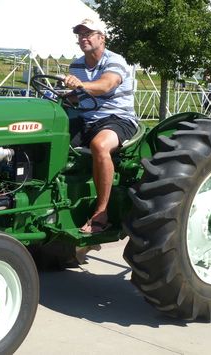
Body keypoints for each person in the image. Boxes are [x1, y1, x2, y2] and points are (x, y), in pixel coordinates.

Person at [64, 18, 138, 234]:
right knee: (55, 139)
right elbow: (78, 97)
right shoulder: (76, 65)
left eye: (88, 33)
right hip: (87, 119)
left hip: (118, 118)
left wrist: (81, 85)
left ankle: (101, 213)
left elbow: (106, 85)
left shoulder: (115, 61)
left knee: (100, 145)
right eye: (80, 34)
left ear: (101, 38)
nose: (83, 38)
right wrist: (64, 96)